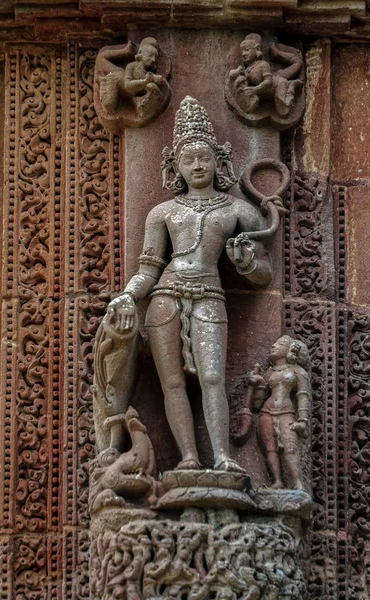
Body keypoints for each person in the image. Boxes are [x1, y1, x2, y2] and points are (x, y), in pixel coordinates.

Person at [106, 96, 273, 472]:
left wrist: (247, 264)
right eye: (189, 159)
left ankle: (225, 458)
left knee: (213, 377)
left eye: (204, 158)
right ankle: (189, 458)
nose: (197, 165)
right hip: (165, 296)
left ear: (219, 162)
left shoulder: (238, 210)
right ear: (176, 167)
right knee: (173, 384)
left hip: (209, 294)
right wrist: (128, 295)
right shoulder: (164, 212)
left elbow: (264, 274)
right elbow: (148, 269)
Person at [247, 335, 311, 489]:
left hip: (286, 411)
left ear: (290, 350)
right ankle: (277, 481)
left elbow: (303, 395)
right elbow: (257, 404)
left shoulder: (298, 371)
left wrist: (303, 421)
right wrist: (257, 383)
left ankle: (298, 482)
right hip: (266, 412)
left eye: (280, 343)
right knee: (270, 448)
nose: (274, 345)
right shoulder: (269, 373)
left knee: (290, 447)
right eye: (275, 343)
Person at [229, 33, 303, 117]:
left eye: (246, 49)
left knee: (283, 110)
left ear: (257, 48)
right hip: (265, 92)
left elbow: (268, 81)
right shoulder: (248, 68)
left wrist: (255, 90)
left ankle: (291, 86)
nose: (243, 54)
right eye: (242, 51)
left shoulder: (263, 64)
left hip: (279, 83)